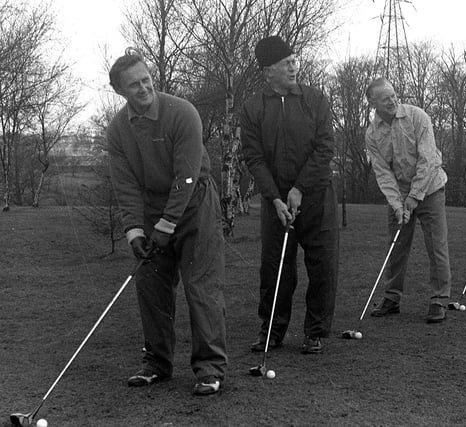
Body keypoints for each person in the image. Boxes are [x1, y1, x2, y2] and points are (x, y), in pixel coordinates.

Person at [107, 49, 227, 396]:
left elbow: (186, 176)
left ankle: (210, 369)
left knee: (201, 287)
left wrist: (166, 225)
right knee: (150, 286)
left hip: (195, 205)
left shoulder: (182, 112)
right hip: (151, 208)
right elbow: (125, 185)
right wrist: (135, 231)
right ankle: (157, 363)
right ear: (119, 91)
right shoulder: (117, 130)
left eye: (146, 80)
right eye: (134, 85)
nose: (143, 88)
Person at [240, 36, 339, 355]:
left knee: (322, 266)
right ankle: (271, 331)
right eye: (287, 63)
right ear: (268, 71)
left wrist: (299, 188)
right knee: (275, 269)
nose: (294, 66)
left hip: (317, 198)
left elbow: (325, 148)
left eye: (295, 60)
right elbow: (253, 157)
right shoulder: (253, 107)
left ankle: (315, 332)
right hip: (276, 203)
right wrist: (276, 198)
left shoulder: (315, 99)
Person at [364, 77, 451, 323]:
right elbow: (383, 173)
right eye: (385, 99)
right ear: (373, 103)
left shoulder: (417, 117)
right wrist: (397, 204)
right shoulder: (372, 134)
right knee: (397, 244)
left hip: (431, 188)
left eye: (393, 95)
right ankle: (392, 298)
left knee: (436, 246)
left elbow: (429, 159)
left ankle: (439, 300)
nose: (392, 101)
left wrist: (414, 197)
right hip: (400, 193)